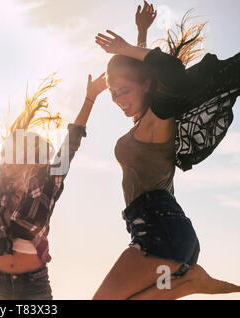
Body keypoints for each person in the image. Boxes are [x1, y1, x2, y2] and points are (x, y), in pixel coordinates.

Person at [91, 6, 240, 299]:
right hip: (161, 233)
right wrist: (142, 33)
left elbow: (170, 73)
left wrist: (124, 48)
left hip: (159, 229)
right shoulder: (145, 118)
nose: (118, 99)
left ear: (146, 86)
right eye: (113, 93)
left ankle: (188, 283)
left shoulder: (158, 120)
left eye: (124, 90)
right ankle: (187, 282)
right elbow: (144, 75)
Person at [0, 72, 106, 299]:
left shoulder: (49, 182)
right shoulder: (1, 177)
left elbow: (71, 142)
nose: (11, 154)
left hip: (33, 285)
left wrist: (90, 98)